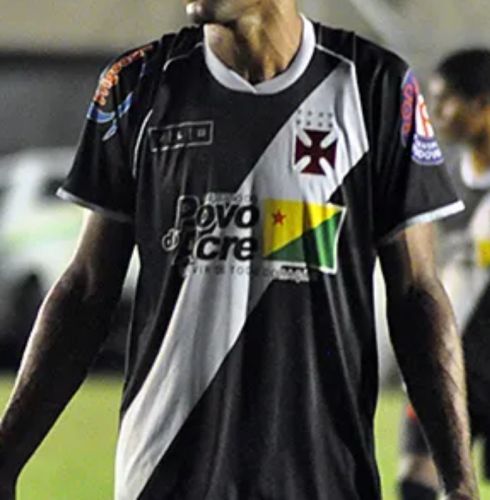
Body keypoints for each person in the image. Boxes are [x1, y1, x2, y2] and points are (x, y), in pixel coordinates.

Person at [0, 1, 479, 498]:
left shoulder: (373, 85)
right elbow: (86, 290)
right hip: (165, 471)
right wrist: (6, 457)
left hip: (325, 477)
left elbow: (416, 294)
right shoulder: (137, 83)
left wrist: (458, 482)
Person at [398, 49, 490, 500]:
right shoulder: (441, 180)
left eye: (446, 100)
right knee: (416, 481)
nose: (435, 113)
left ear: (483, 105)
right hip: (443, 362)